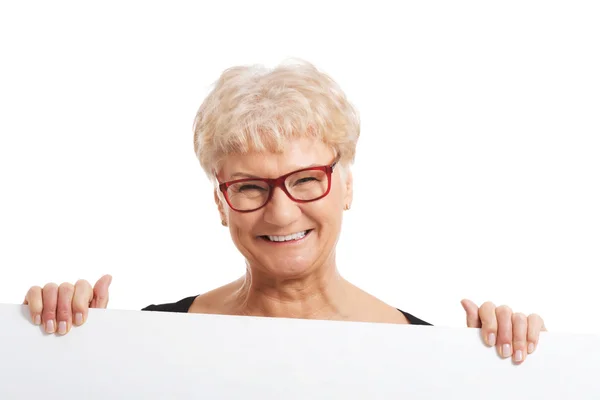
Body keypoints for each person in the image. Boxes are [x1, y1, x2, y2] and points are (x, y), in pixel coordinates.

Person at [22, 59, 546, 364]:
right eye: (251, 187)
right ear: (221, 204)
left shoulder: (433, 357)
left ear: (345, 187)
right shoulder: (152, 341)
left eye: (305, 180)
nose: (281, 212)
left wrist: (507, 366)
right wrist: (62, 346)